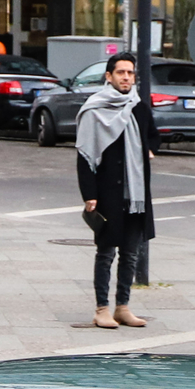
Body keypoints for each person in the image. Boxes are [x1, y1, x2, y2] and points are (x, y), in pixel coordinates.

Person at [76, 49, 156, 329]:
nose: (126, 77)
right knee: (106, 252)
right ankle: (101, 309)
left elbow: (153, 137)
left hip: (135, 195)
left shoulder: (139, 108)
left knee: (131, 253)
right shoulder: (94, 109)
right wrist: (90, 195)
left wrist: (147, 149)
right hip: (108, 192)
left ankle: (123, 306)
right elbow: (85, 155)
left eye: (130, 73)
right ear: (108, 76)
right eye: (121, 72)